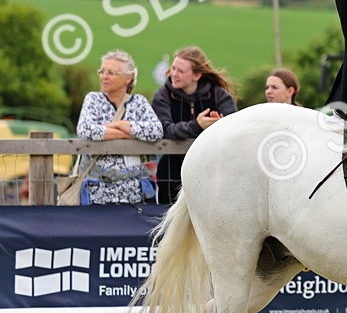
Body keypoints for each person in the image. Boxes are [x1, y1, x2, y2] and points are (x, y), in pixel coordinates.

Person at [151, 46, 237, 203]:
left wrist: (220, 125)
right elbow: (165, 129)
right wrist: (197, 125)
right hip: (171, 175)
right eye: (173, 68)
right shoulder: (162, 95)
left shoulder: (219, 95)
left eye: (180, 71)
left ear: (197, 75)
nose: (174, 74)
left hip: (210, 174)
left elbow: (234, 126)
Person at [76, 50, 163, 205]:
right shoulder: (93, 99)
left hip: (135, 193)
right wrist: (130, 133)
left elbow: (156, 131)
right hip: (97, 192)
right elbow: (86, 130)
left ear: (128, 78)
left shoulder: (139, 102)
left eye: (111, 73)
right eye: (102, 71)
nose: (104, 76)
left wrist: (120, 125)